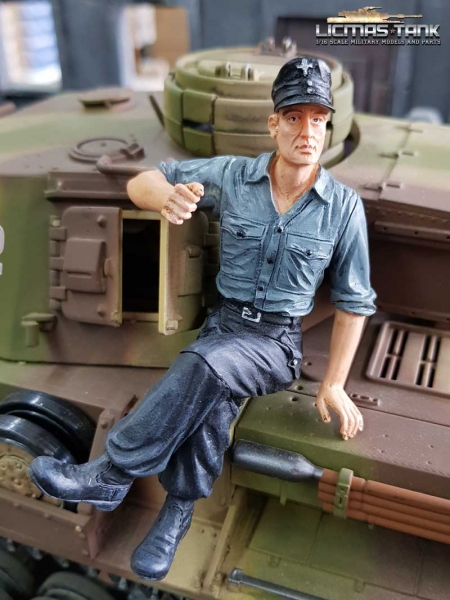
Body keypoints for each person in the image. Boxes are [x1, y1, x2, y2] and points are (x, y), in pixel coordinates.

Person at [29, 56, 376, 581]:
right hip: (223, 326)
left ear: (328, 125)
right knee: (213, 403)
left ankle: (112, 473)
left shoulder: (343, 208)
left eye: (318, 119)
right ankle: (177, 513)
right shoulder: (235, 176)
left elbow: (354, 301)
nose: (307, 132)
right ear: (274, 124)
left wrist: (333, 384)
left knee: (205, 366)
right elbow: (144, 181)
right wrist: (168, 198)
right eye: (294, 117)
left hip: (275, 343)